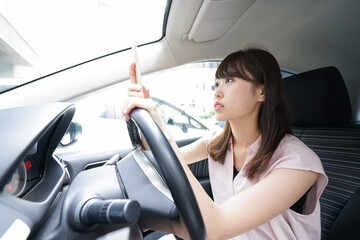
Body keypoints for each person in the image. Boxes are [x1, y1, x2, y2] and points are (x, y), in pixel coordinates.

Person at [122, 48, 328, 240]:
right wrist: (144, 115)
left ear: (262, 92)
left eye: (229, 80)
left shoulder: (298, 163)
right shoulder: (217, 142)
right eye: (216, 84)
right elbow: (157, 159)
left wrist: (162, 127)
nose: (217, 92)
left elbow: (215, 228)